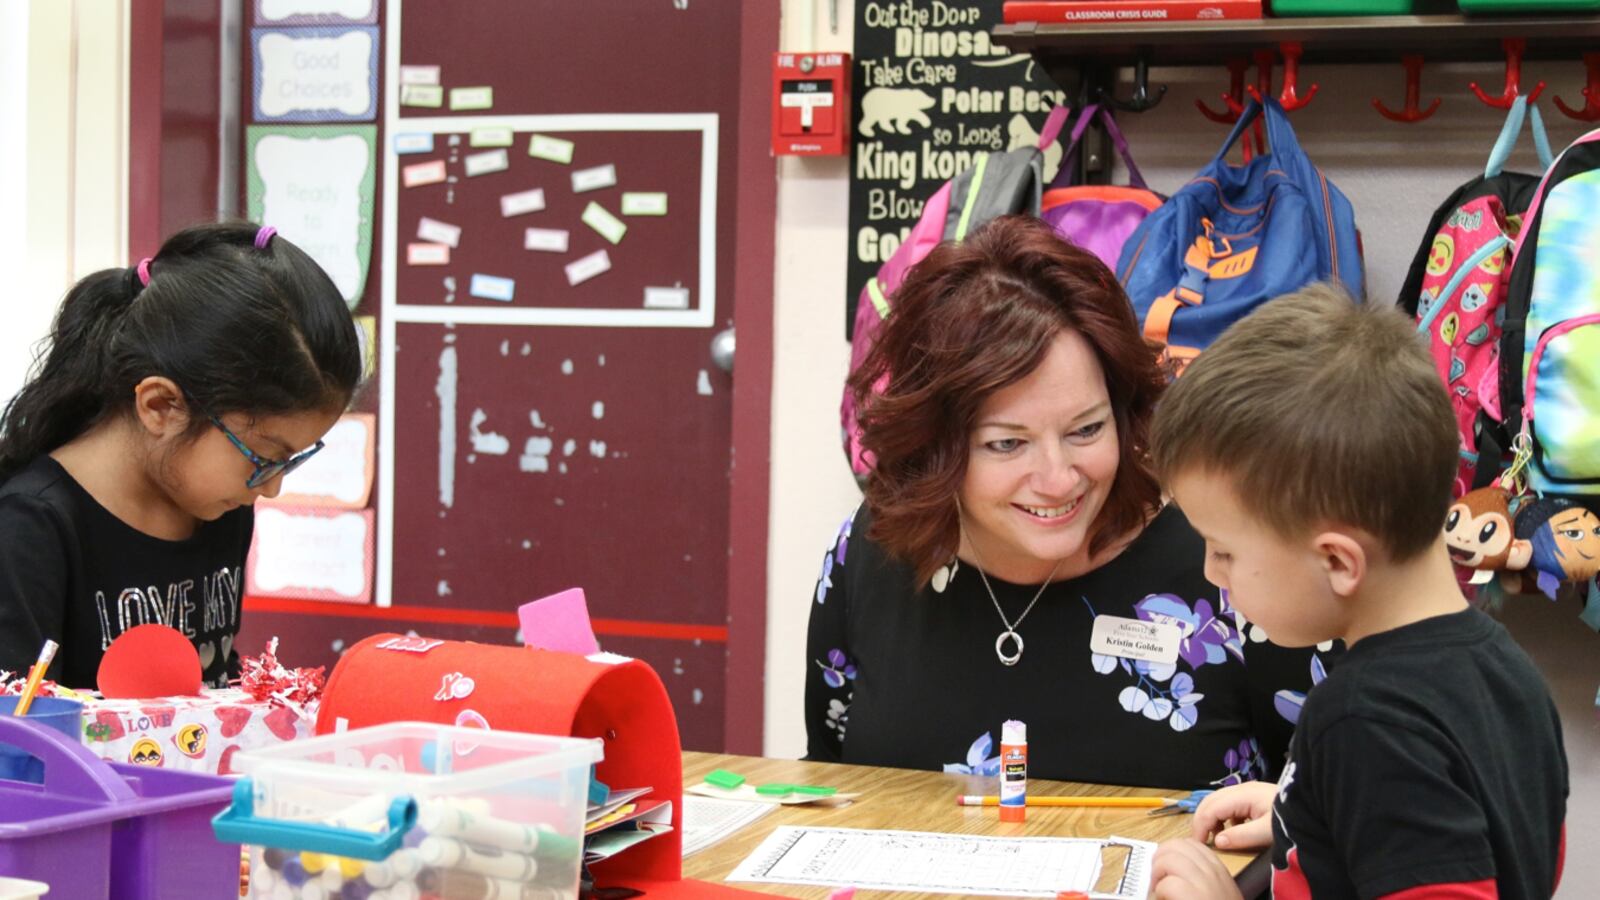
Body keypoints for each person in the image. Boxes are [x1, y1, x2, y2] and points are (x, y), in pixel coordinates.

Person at [805, 215, 1326, 788]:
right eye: (1007, 443)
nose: (1058, 479)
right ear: (935, 447)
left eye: (1085, 430)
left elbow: (1330, 811)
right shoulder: (873, 553)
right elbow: (831, 778)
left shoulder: (1229, 569)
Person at [1148, 285, 1567, 899]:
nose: (1212, 572)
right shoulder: (1507, 670)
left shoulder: (1363, 723)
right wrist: (1314, 813)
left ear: (1339, 562)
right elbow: (1518, 848)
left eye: (1225, 549)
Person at [0, 222, 363, 689]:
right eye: (263, 458)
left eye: (291, 461)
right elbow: (16, 745)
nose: (271, 488)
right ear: (161, 406)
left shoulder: (221, 509)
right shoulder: (30, 529)